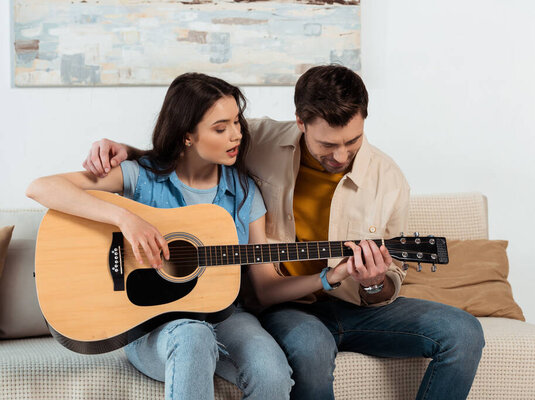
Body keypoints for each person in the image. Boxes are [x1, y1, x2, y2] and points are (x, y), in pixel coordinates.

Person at [83, 65, 486, 400]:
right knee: (307, 349)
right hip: (287, 304)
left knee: (464, 333)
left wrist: (374, 282)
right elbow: (194, 144)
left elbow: (387, 285)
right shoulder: (255, 139)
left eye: (353, 141)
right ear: (300, 122)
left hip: (353, 301)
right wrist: (129, 154)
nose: (341, 156)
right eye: (328, 144)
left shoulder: (390, 179)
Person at [26, 73, 294, 400]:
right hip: (150, 326)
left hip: (226, 315)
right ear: (187, 136)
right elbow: (41, 187)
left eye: (237, 122)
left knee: (272, 373)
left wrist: (328, 278)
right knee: (194, 336)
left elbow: (266, 284)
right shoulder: (142, 175)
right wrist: (126, 219)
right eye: (221, 128)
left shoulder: (243, 192)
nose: (236, 135)